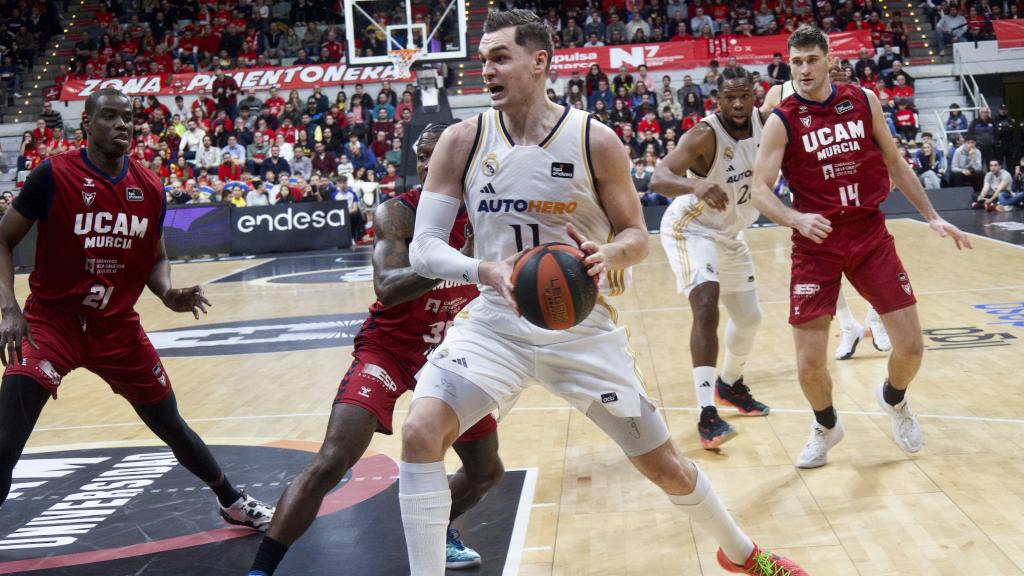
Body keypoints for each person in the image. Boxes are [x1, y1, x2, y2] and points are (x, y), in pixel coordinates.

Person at [400, 10, 807, 576]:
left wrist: (610, 254)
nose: (486, 70)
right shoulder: (461, 140)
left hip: (581, 328)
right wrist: (484, 270)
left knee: (664, 465)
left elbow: (637, 236)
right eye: (483, 59)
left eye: (500, 58)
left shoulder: (595, 139)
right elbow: (423, 250)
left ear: (539, 61)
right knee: (420, 431)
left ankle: (742, 554)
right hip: (496, 323)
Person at [0, 89, 276, 529]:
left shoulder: (149, 187)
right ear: (87, 123)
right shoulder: (54, 174)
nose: (121, 124)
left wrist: (166, 292)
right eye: (109, 116)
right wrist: (9, 307)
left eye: (127, 117)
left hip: (116, 328)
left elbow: (156, 257)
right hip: (52, 323)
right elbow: (3, 238)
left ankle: (232, 501)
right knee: (5, 442)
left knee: (172, 425)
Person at [245, 121, 502, 575]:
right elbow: (387, 288)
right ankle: (260, 570)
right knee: (331, 460)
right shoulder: (398, 212)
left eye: (438, 154)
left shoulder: (491, 215)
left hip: (452, 353)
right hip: (389, 350)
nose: (427, 164)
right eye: (421, 156)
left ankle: (439, 528)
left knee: (486, 472)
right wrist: (454, 261)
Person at [750, 27, 971, 469]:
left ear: (829, 59)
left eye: (812, 59)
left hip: (869, 233)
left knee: (911, 348)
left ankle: (893, 398)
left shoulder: (863, 100)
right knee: (809, 365)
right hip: (817, 243)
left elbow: (894, 162)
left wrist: (931, 215)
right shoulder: (782, 119)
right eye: (796, 62)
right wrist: (795, 218)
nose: (804, 69)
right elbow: (758, 189)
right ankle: (826, 425)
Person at [650, 66, 770, 450]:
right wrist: (695, 183)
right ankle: (706, 414)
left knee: (750, 318)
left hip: (730, 233)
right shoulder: (704, 134)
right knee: (706, 303)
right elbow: (658, 177)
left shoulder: (768, 124)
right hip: (692, 228)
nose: (737, 104)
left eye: (744, 96)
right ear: (717, 99)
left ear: (754, 95)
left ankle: (730, 384)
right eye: (729, 97)